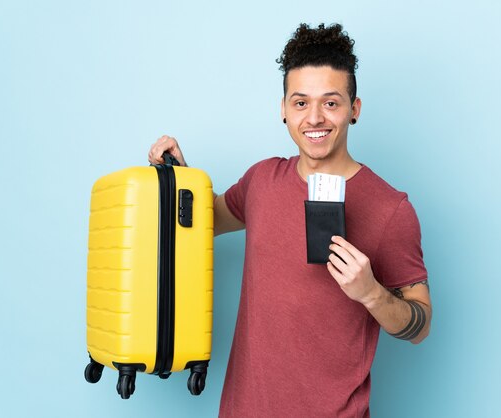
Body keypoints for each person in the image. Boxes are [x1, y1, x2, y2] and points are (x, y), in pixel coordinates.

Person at [148, 23, 432, 417]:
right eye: (301, 103)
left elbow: (420, 326)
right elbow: (203, 221)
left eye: (331, 103)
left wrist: (370, 293)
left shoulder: (391, 208)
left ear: (355, 109)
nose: (314, 118)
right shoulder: (262, 181)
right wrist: (180, 176)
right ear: (283, 110)